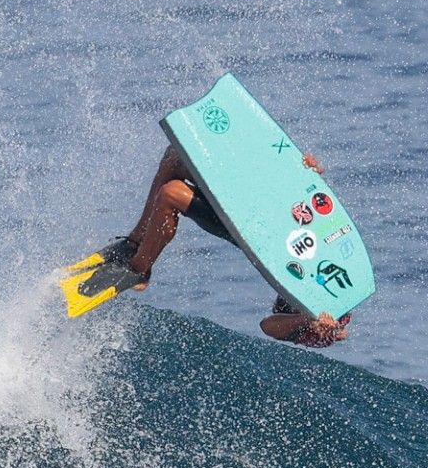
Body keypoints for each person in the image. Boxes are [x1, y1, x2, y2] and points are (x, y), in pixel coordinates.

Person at [83, 146, 351, 349]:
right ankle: (136, 241)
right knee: (176, 156)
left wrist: (308, 320)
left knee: (171, 194)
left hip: (249, 233)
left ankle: (139, 268)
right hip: (257, 205)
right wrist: (308, 178)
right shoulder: (345, 276)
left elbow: (268, 327)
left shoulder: (322, 324)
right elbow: (322, 214)